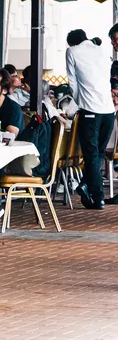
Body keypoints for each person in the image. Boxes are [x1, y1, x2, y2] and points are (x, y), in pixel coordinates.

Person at [65, 28, 115, 210]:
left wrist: (81, 102)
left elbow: (72, 83)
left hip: (90, 111)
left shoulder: (72, 51)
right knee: (99, 154)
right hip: (109, 111)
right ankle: (85, 186)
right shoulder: (102, 51)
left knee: (91, 155)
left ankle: (98, 197)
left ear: (72, 43)